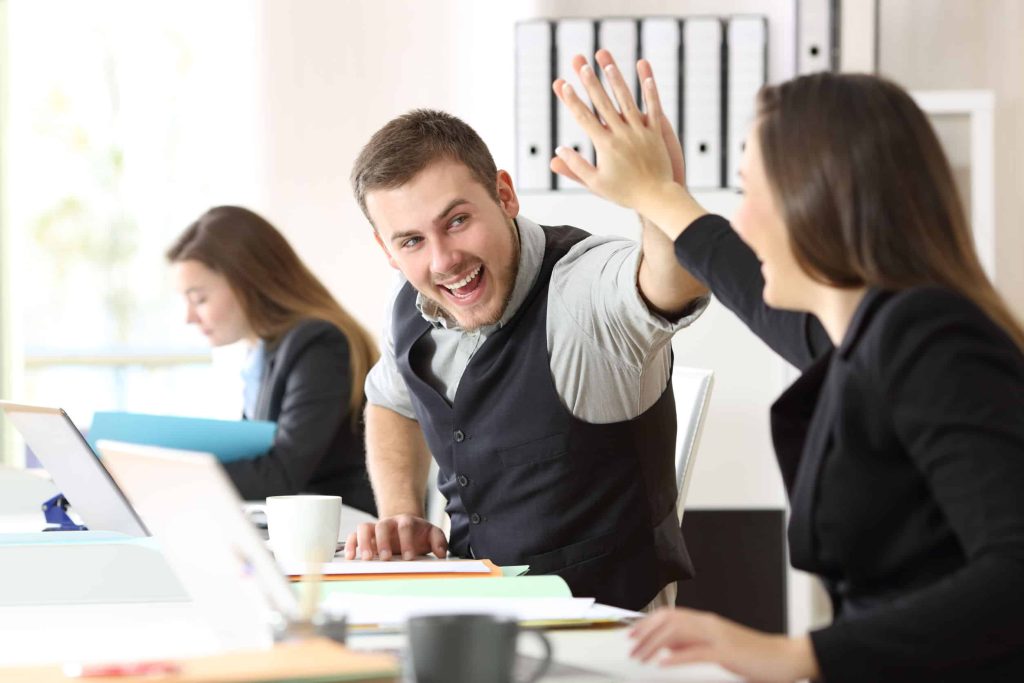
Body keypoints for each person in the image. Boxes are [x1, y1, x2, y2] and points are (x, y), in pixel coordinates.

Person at [552, 50, 1024, 681]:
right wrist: (660, 198)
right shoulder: (865, 343)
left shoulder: (930, 340)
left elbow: (1014, 574)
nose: (741, 219)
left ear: (816, 202)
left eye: (750, 191)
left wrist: (793, 655)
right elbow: (747, 285)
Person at [344, 109, 711, 611]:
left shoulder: (582, 290)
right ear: (387, 249)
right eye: (412, 241)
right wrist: (400, 513)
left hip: (603, 628)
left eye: (457, 221)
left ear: (505, 195)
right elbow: (392, 401)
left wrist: (658, 197)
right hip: (474, 612)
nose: (443, 260)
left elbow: (670, 283)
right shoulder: (410, 301)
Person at [167, 206, 379, 515]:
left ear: (248, 281)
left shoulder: (318, 345)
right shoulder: (262, 354)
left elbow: (281, 473)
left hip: (340, 528)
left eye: (199, 299)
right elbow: (256, 454)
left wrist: (177, 477)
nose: (189, 317)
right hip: (296, 523)